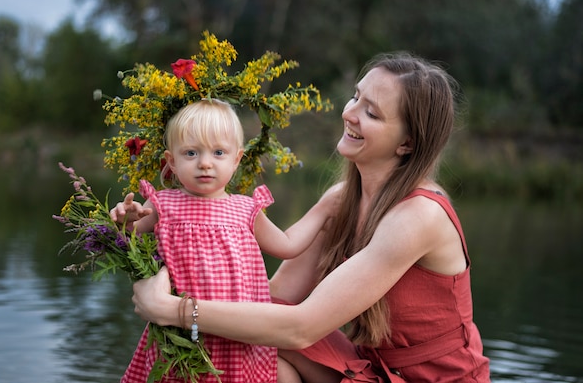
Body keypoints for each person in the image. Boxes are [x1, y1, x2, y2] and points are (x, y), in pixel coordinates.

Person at [128, 52, 492, 382]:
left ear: (407, 143)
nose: (349, 113)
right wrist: (175, 236)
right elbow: (272, 298)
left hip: (432, 381)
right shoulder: (341, 200)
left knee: (274, 342)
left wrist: (174, 309)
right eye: (356, 97)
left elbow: (300, 328)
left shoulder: (419, 216)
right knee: (267, 357)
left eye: (372, 112)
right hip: (371, 369)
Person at [109, 99, 332, 383]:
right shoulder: (163, 205)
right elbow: (123, 240)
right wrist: (123, 221)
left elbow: (287, 245)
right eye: (191, 153)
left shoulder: (246, 210)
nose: (205, 163)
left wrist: (325, 209)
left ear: (236, 159)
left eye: (218, 152)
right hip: (180, 337)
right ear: (172, 162)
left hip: (235, 331)